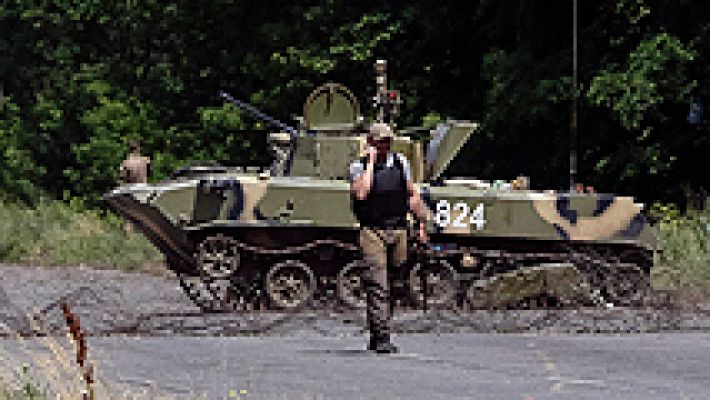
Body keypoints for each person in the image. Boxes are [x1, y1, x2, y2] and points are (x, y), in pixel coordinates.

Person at [349, 122, 429, 354]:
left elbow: (411, 194)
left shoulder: (401, 163)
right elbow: (362, 193)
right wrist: (371, 163)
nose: (385, 145)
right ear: (370, 143)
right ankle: (381, 335)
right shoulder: (358, 167)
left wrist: (422, 222)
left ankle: (380, 329)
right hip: (373, 231)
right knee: (377, 284)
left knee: (396, 283)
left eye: (387, 141)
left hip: (399, 229)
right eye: (380, 141)